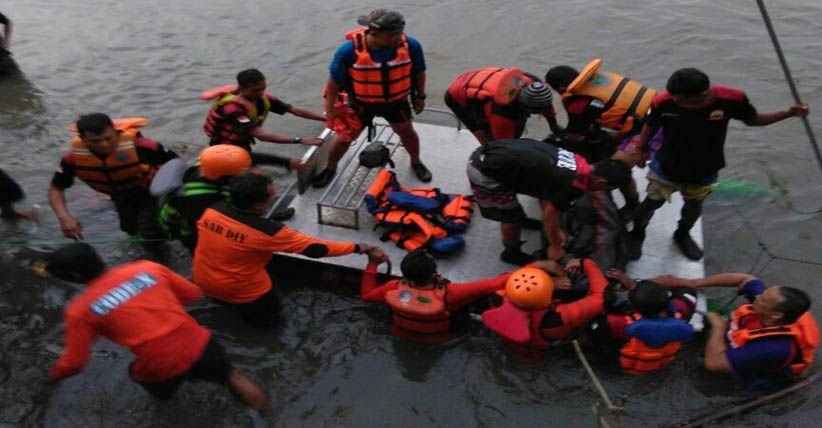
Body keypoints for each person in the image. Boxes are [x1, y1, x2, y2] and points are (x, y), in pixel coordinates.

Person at [45, 243, 269, 413]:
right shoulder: (148, 268)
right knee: (233, 376)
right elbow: (193, 294)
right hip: (199, 342)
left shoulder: (80, 311)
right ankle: (270, 417)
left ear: (72, 277)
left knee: (145, 382)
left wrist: (52, 377)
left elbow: (74, 363)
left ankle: (169, 411)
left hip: (159, 363)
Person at [627, 68, 809, 260]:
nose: (676, 102)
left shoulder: (732, 99)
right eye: (675, 98)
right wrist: (640, 149)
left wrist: (788, 114)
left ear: (704, 94)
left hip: (705, 168)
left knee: (694, 205)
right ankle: (637, 233)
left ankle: (682, 234)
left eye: (681, 100)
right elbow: (650, 124)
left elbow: (754, 120)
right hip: (667, 165)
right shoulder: (664, 101)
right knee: (651, 203)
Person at [192, 172, 384, 328]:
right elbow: (316, 249)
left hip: (204, 280)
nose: (274, 196)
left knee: (227, 312)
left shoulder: (212, 211)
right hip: (246, 290)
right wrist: (357, 247)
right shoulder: (268, 232)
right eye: (271, 196)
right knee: (270, 324)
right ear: (258, 205)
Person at [313, 9, 432, 188]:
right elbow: (333, 83)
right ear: (374, 33)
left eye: (400, 32)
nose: (399, 37)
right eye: (393, 35)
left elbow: (419, 72)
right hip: (361, 103)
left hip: (395, 102)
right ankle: (330, 167)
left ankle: (416, 162)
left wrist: (420, 96)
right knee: (344, 137)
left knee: (407, 132)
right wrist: (330, 109)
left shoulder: (411, 46)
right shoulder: (348, 51)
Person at [466, 138, 632, 265]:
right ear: (602, 183)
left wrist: (556, 230)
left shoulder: (579, 161)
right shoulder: (575, 185)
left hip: (499, 153)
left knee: (531, 206)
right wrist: (556, 246)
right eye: (605, 189)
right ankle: (511, 252)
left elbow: (547, 194)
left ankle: (520, 221)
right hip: (485, 170)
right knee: (509, 217)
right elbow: (550, 216)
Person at [545, 60, 659, 215]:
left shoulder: (578, 104)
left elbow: (574, 134)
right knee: (612, 147)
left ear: (561, 89)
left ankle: (633, 205)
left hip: (651, 130)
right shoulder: (598, 81)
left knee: (618, 168)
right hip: (651, 114)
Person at [664, 273, 818, 386]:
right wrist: (694, 283)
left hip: (755, 368)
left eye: (763, 298)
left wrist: (718, 327)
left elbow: (713, 363)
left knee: (708, 378)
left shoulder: (773, 347)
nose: (757, 297)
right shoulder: (767, 306)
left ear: (776, 315)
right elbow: (745, 279)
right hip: (740, 339)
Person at [49, 114, 177, 241]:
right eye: (96, 141)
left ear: (116, 132)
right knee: (130, 229)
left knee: (151, 230)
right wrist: (64, 217)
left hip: (149, 191)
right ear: (82, 139)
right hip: (119, 196)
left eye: (109, 138)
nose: (104, 144)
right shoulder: (72, 159)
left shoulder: (143, 147)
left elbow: (178, 166)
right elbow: (56, 189)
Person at [360, 248, 508, 344]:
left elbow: (366, 296)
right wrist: (531, 266)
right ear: (434, 270)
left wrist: (372, 263)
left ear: (405, 273)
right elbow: (498, 282)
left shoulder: (392, 287)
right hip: (442, 340)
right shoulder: (453, 293)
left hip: (400, 336)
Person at [202, 68, 325, 170]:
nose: (261, 92)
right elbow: (261, 136)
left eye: (263, 88)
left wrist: (326, 118)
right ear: (242, 88)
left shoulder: (262, 98)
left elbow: (293, 110)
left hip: (243, 144)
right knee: (256, 173)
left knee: (256, 167)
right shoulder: (233, 109)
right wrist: (300, 140)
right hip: (223, 149)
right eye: (256, 90)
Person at [481, 258, 609, 355]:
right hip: (544, 353)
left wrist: (539, 266)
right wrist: (585, 263)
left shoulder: (497, 296)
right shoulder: (557, 318)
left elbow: (514, 278)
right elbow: (603, 297)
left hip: (509, 346)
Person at [155, 145, 252, 252]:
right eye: (239, 174)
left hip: (187, 213)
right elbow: (208, 229)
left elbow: (234, 163)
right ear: (224, 178)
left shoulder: (206, 166)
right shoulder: (199, 202)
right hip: (192, 231)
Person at [602, 272, 697, 374]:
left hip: (626, 368)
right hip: (659, 367)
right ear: (667, 301)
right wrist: (663, 282)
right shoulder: (683, 309)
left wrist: (635, 284)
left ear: (632, 307)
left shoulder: (619, 324)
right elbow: (683, 286)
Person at [444, 67, 562, 145]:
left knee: (516, 127)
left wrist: (553, 124)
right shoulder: (501, 114)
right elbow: (504, 145)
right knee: (487, 139)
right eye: (535, 111)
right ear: (525, 106)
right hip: (457, 96)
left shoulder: (534, 84)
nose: (541, 113)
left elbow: (546, 106)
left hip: (475, 78)